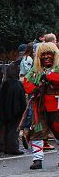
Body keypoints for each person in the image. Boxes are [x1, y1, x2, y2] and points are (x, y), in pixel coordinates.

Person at [22, 42, 58, 170]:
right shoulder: (35, 70)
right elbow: (26, 82)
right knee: (37, 132)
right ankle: (37, 159)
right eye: (43, 54)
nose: (46, 56)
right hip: (40, 107)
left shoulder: (57, 68)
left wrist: (49, 77)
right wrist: (33, 89)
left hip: (56, 107)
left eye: (49, 54)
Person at [0, 63, 26, 157]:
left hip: (5, 110)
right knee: (14, 129)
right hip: (16, 110)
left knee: (6, 128)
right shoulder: (18, 84)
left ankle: (5, 146)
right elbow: (22, 99)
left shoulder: (5, 84)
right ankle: (13, 147)